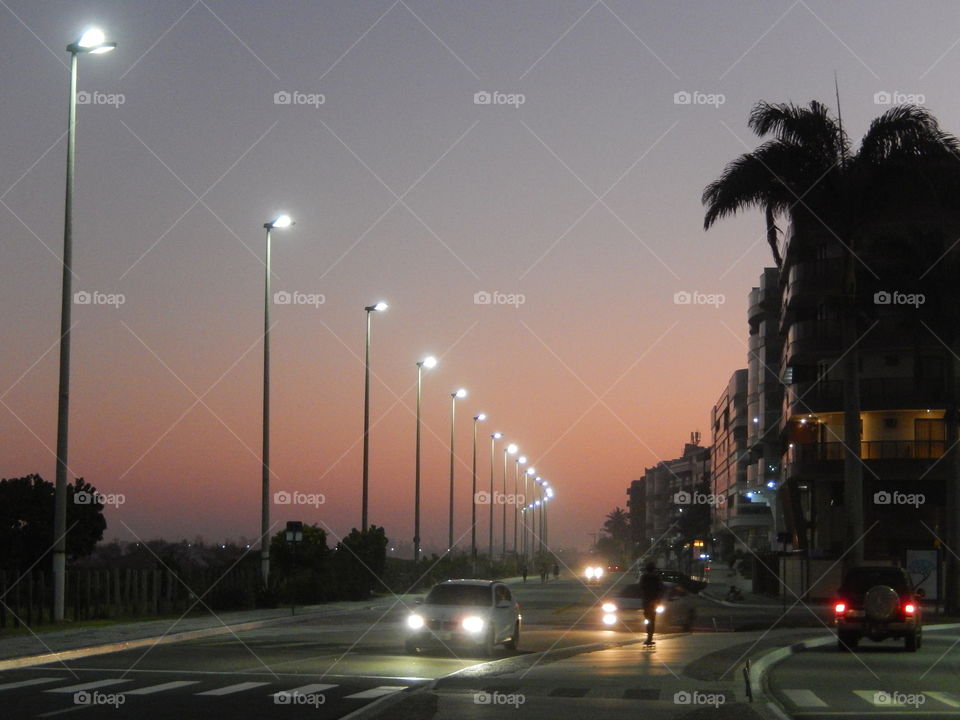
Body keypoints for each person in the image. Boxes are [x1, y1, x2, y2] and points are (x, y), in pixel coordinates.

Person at [639, 562, 664, 646]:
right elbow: (661, 589)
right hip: (653, 602)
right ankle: (650, 637)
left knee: (647, 619)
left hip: (646, 601)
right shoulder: (656, 578)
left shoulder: (644, 577)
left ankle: (648, 637)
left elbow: (641, 588)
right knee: (652, 620)